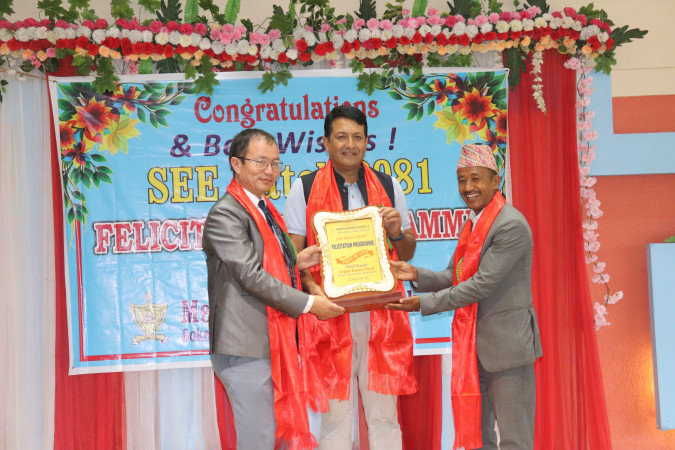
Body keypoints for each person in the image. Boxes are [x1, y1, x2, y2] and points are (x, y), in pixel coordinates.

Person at [386, 143, 543, 450]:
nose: (468, 187)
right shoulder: (474, 223)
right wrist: (415, 274)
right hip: (474, 349)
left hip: (507, 348)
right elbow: (454, 276)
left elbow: (481, 285)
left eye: (475, 179)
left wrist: (424, 303)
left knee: (515, 441)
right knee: (479, 439)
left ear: (495, 181)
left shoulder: (509, 225)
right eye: (462, 180)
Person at [284, 105, 418, 450]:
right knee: (335, 420)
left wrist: (396, 232)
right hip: (330, 317)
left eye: (358, 137)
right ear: (326, 142)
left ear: (366, 141)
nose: (350, 144)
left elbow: (407, 253)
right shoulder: (304, 188)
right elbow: (292, 259)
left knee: (385, 417)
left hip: (381, 316)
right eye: (341, 136)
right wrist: (312, 288)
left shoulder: (388, 185)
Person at [203, 128, 345, 449]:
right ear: (236, 164)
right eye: (260, 162)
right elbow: (252, 276)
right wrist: (309, 304)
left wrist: (296, 262)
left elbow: (268, 266)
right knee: (260, 440)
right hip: (246, 347)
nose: (269, 170)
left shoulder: (264, 209)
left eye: (275, 163)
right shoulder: (227, 214)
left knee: (275, 439)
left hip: (272, 344)